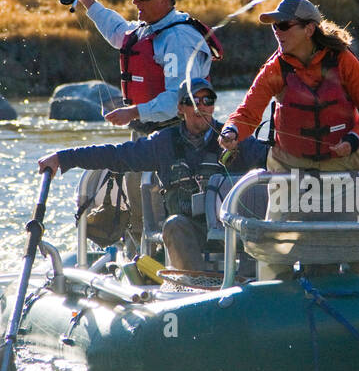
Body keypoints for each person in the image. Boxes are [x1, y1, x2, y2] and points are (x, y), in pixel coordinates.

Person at [38, 80, 268, 272]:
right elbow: (116, 156)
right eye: (192, 101)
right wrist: (64, 158)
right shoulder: (163, 142)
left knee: (255, 223)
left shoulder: (234, 137)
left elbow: (270, 158)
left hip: (230, 227)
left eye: (207, 100)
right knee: (175, 225)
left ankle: (254, 286)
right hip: (188, 229)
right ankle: (194, 285)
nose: (201, 106)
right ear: (180, 109)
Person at [217, 0, 359, 172]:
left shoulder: (342, 60)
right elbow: (248, 113)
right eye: (274, 26)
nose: (277, 32)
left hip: (345, 162)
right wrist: (231, 130)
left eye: (283, 25)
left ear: (309, 29)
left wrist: (354, 139)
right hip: (289, 166)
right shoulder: (275, 68)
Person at [72, 0, 221, 133]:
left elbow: (178, 98)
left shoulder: (178, 41)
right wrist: (87, 0)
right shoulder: (149, 27)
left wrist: (133, 112)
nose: (135, 1)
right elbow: (118, 30)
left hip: (176, 135)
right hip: (147, 131)